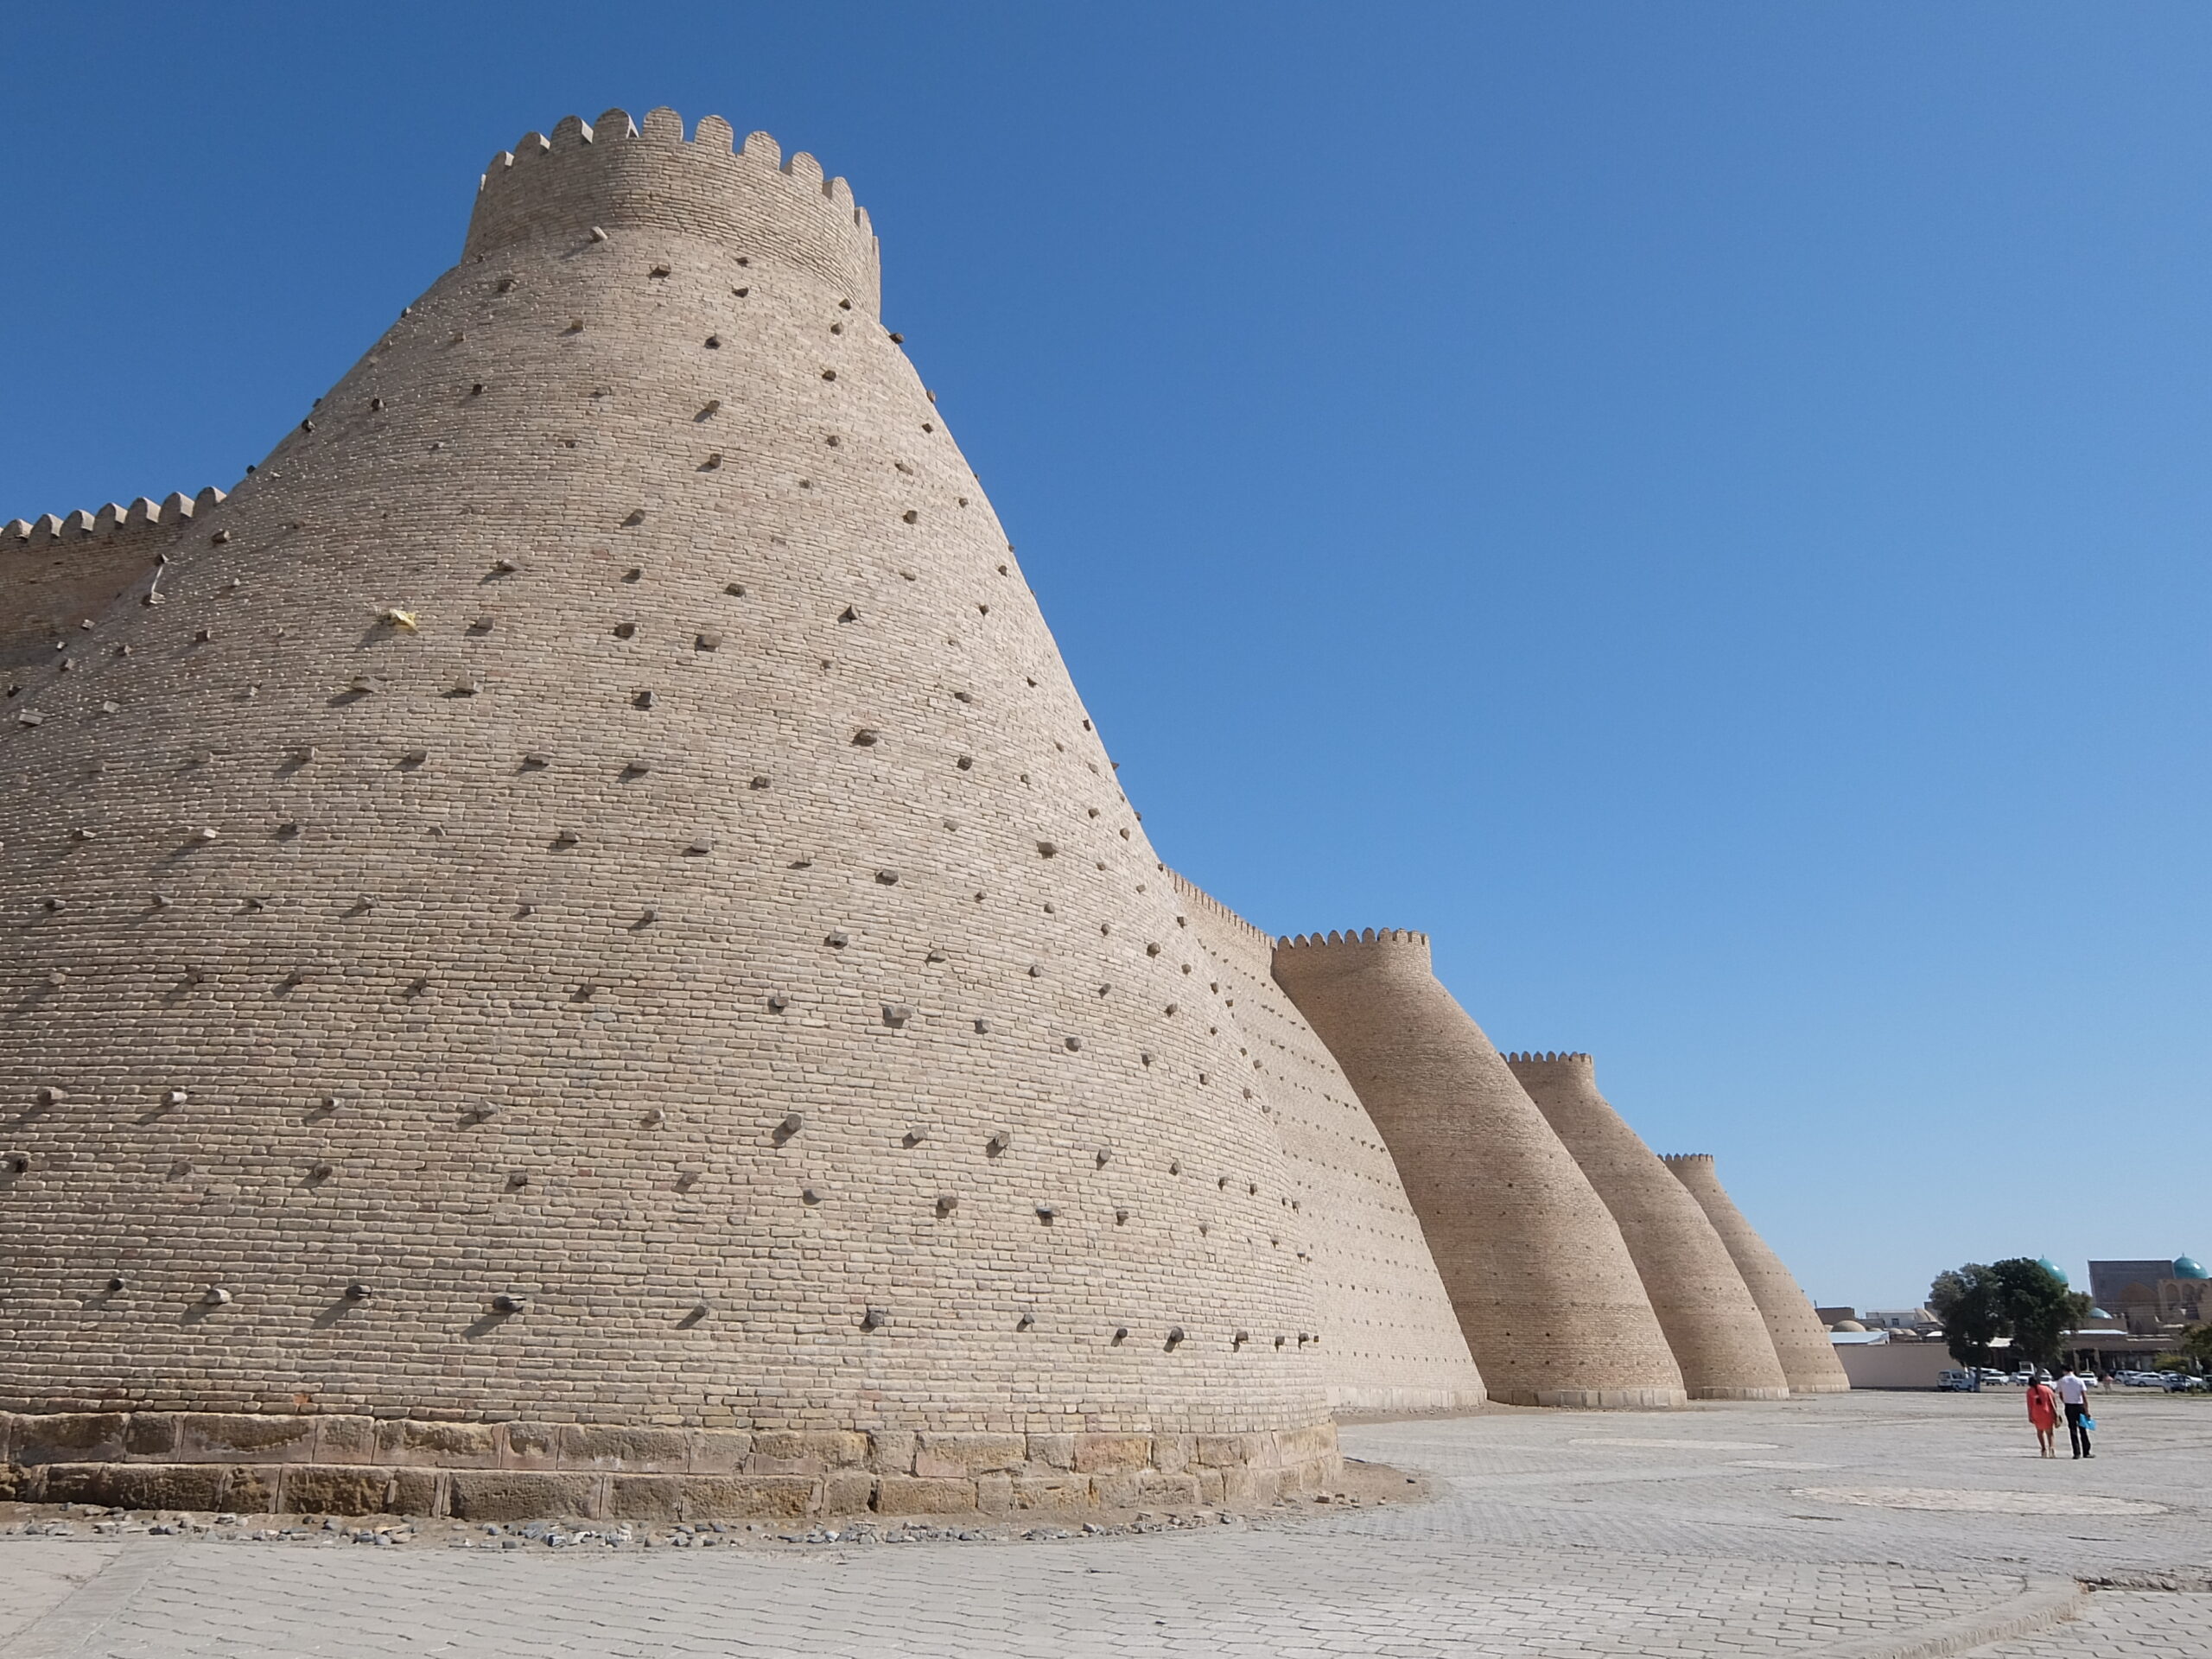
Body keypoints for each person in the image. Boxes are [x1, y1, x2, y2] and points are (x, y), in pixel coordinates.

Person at [2056, 1365, 2094, 1459]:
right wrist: (2087, 1410)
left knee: (2072, 1430)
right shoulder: (2079, 1380)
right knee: (2083, 1429)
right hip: (2079, 1405)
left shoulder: (2061, 1381)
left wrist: (2065, 1401)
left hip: (2069, 1406)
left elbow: (2060, 1394)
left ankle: (2076, 1452)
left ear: (2064, 1371)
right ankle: (2086, 1451)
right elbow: (2084, 1396)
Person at [2025, 1372, 2060, 1459]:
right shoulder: (2047, 1389)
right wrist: (2056, 1414)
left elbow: (2029, 1405)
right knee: (2050, 1433)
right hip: (2047, 1412)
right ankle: (2051, 1448)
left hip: (2036, 1413)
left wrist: (2030, 1416)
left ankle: (2043, 1449)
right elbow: (2053, 1402)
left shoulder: (2030, 1392)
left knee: (2040, 1432)